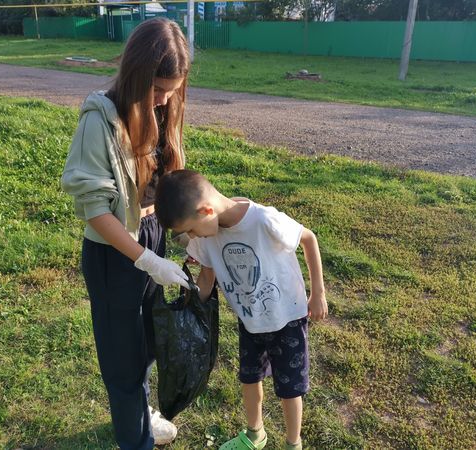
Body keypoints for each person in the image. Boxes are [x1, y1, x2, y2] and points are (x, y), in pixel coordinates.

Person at [61, 18, 191, 450]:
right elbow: (95, 210)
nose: (164, 99)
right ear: (136, 74)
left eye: (172, 90)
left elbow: (165, 184)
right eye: (158, 89)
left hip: (152, 234)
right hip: (115, 250)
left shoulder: (163, 109)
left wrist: (185, 235)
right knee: (122, 358)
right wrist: (146, 259)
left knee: (147, 341)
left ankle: (141, 412)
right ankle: (136, 440)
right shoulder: (100, 118)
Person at [155, 169, 328, 450]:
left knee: (289, 389)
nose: (191, 237)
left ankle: (293, 443)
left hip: (287, 321)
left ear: (206, 210)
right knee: (249, 378)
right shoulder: (206, 235)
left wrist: (318, 293)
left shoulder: (263, 220)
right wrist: (189, 309)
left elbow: (308, 238)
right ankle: (255, 434)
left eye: (191, 229)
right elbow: (207, 277)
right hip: (250, 322)